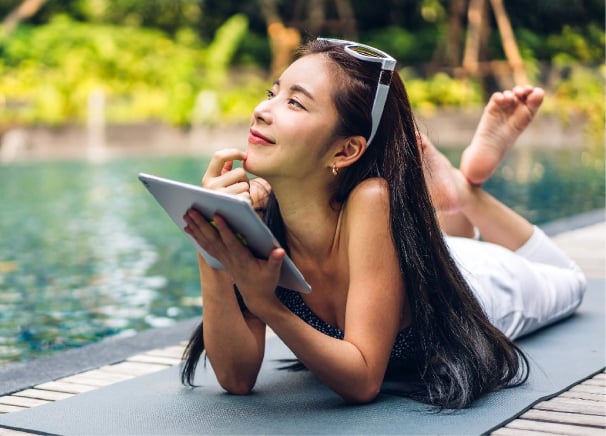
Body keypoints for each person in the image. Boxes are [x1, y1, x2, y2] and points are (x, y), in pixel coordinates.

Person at [178, 38, 586, 409]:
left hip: (481, 287)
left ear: (345, 150)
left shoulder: (371, 200)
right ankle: (452, 203)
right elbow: (236, 377)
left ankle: (462, 194)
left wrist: (266, 303)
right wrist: (211, 239)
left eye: (295, 102)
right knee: (440, 244)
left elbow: (363, 379)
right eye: (273, 93)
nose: (262, 110)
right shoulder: (257, 216)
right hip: (422, 259)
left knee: (569, 279)